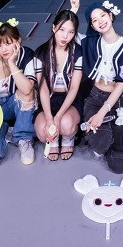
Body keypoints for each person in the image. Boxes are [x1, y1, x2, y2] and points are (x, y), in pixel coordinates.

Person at [80, 0, 123, 173]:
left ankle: (115, 135)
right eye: (94, 20)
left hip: (119, 100)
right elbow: (68, 34)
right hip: (95, 96)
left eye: (103, 15)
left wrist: (101, 114)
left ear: (111, 16)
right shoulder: (92, 42)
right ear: (92, 26)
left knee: (120, 164)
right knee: (99, 141)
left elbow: (120, 86)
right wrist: (73, 9)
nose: (100, 21)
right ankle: (107, 135)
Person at [0, 22, 37, 167]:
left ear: (18, 41)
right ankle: (5, 131)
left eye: (8, 43)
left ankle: (23, 138)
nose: (3, 49)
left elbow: (27, 90)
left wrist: (12, 63)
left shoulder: (27, 55)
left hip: (14, 104)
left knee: (27, 94)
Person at [33, 10, 84, 161]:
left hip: (70, 99)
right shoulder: (41, 53)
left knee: (65, 125)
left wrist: (59, 116)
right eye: (62, 30)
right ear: (54, 27)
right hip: (48, 98)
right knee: (43, 133)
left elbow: (74, 88)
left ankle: (68, 139)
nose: (65, 36)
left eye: (71, 32)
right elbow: (42, 88)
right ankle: (53, 139)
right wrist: (50, 119)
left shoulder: (78, 52)